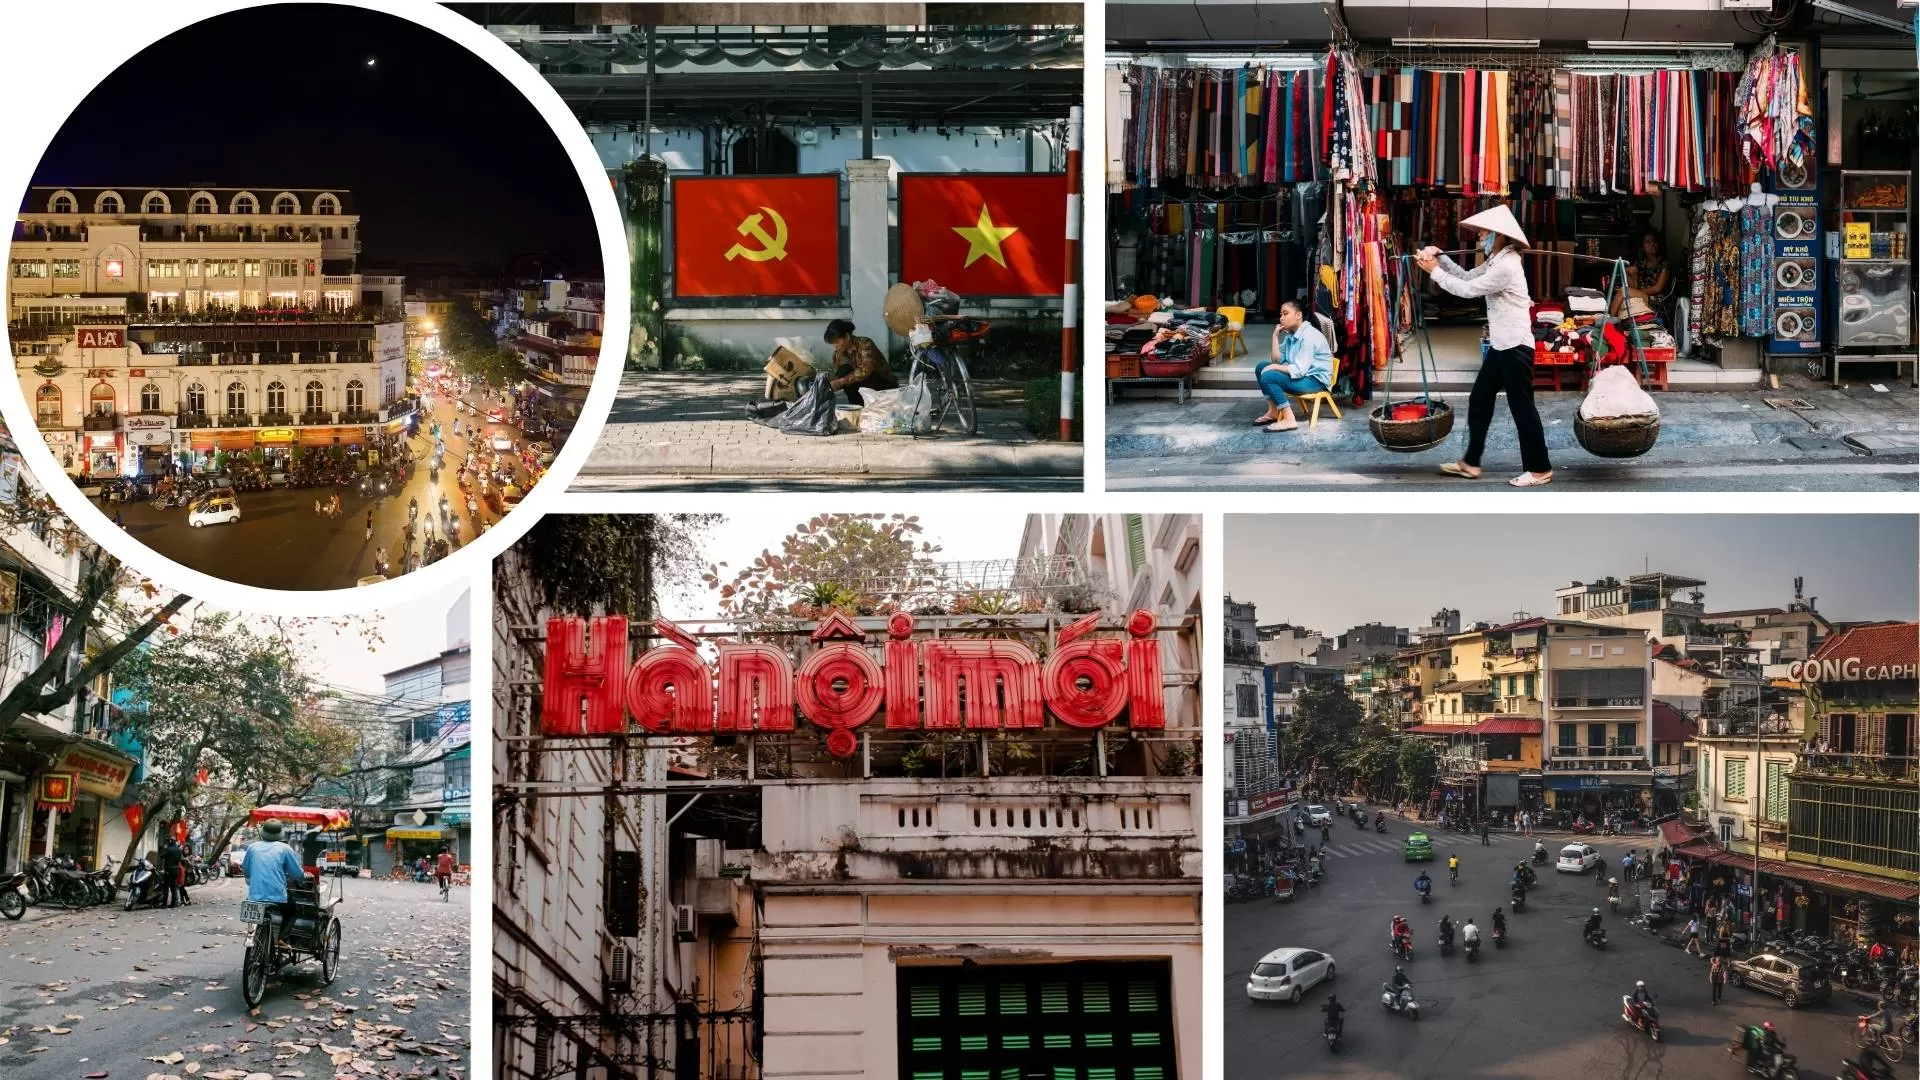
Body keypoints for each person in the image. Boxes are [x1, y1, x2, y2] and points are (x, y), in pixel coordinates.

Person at [1416, 205, 1553, 487]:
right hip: (1501, 346)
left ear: (1499, 235)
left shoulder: (1506, 265)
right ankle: (1471, 462)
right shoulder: (1495, 260)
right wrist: (1442, 258)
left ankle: (1540, 468)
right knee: (1480, 399)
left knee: (1522, 408)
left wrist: (1435, 272)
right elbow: (1467, 276)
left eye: (1483, 232)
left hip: (1515, 347)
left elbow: (1468, 291)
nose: (1479, 236)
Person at [1252, 299, 1335, 433]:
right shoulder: (1291, 335)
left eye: (1285, 314)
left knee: (1269, 376)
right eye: (1281, 314)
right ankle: (1273, 411)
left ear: (1298, 315)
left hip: (1315, 381)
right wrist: (1275, 336)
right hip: (1303, 377)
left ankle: (1289, 419)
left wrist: (1274, 368)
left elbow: (1299, 370)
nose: (1281, 318)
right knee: (1261, 367)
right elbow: (1276, 360)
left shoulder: (1309, 336)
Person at [241, 819, 309, 936]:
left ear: (264, 832)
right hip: (277, 896)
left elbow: (246, 871)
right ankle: (282, 937)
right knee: (292, 911)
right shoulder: (285, 849)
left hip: (254, 896)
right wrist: (303, 877)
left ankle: (252, 929)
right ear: (279, 834)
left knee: (254, 908)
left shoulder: (252, 848)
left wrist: (252, 879)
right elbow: (297, 874)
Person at [822, 320, 900, 407]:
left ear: (847, 336)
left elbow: (866, 370)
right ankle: (856, 406)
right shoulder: (838, 353)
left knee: (857, 377)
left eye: (837, 342)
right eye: (833, 344)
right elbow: (840, 373)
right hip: (864, 383)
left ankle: (868, 405)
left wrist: (841, 381)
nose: (835, 346)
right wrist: (832, 383)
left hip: (884, 383)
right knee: (844, 371)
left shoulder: (865, 343)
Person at [160, 834, 185, 908]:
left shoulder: (168, 849)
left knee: (166, 887)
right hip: (176, 870)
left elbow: (161, 855)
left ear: (170, 841)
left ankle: (164, 904)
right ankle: (173, 903)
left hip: (169, 869)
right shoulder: (178, 849)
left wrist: (164, 848)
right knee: (173, 887)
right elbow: (180, 858)